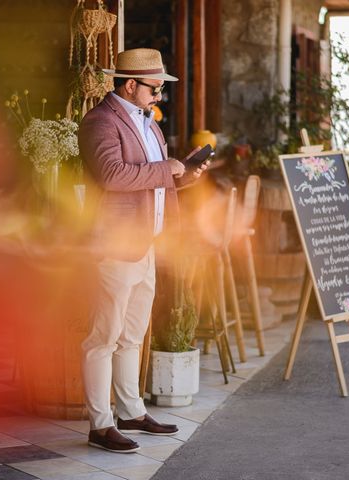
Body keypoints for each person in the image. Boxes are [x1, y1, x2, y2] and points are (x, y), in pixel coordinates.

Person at [78, 48, 208, 453]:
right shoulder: (100, 121)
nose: (159, 97)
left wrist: (184, 174)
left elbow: (154, 181)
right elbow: (113, 175)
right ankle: (100, 425)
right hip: (115, 244)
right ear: (130, 84)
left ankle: (131, 411)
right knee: (104, 336)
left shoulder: (149, 123)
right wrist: (166, 169)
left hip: (146, 243)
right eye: (155, 88)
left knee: (133, 335)